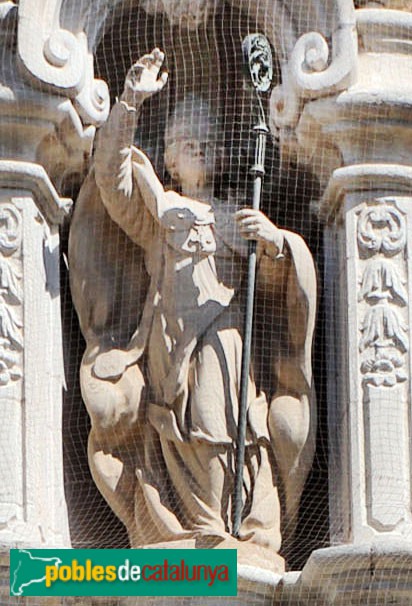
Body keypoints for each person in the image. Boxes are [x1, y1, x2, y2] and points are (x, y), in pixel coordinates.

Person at [69, 49, 317, 571]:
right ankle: (198, 530)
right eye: (187, 143)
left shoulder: (239, 217)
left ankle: (233, 529)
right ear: (169, 160)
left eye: (206, 143)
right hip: (171, 343)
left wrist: (275, 243)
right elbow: (113, 181)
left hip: (229, 340)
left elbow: (278, 291)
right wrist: (129, 103)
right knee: (191, 425)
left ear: (221, 156)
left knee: (230, 424)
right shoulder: (159, 214)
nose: (198, 149)